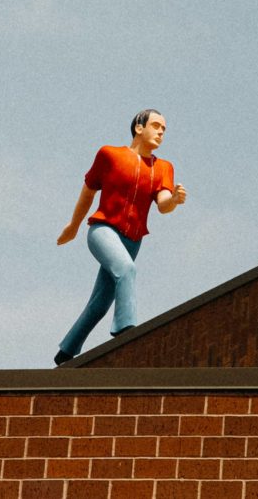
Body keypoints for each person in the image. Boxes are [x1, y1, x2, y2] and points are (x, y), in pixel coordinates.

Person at [54, 109, 186, 365]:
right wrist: (74, 225)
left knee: (100, 303)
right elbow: (88, 192)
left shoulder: (163, 168)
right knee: (126, 269)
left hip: (133, 240)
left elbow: (162, 204)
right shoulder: (109, 155)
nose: (161, 132)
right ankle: (127, 330)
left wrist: (175, 200)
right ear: (139, 127)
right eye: (156, 126)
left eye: (164, 129)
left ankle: (66, 351)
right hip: (103, 230)